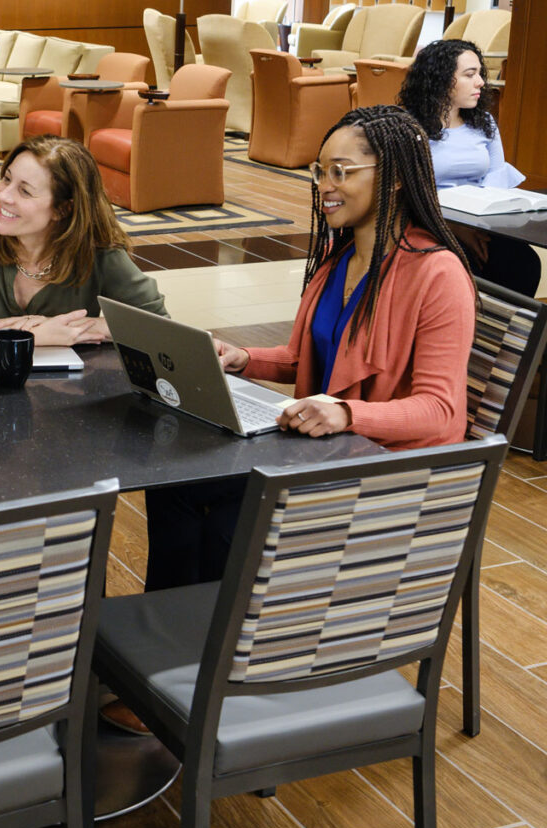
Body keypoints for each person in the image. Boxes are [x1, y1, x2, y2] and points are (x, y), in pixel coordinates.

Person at [143, 105, 479, 591]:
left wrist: (347, 413)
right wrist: (246, 358)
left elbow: (441, 411)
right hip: (319, 450)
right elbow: (311, 360)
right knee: (172, 486)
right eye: (321, 171)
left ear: (396, 179)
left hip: (388, 469)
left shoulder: (437, 273)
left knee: (228, 523)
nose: (325, 184)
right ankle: (168, 637)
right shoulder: (340, 259)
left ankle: (225, 652)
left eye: (341, 172)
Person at [0, 136, 165, 347]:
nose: (3, 195)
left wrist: (79, 328)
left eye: (24, 191)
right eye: (6, 178)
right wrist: (32, 336)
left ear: (63, 209)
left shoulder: (96, 247)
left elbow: (157, 325)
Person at [398, 38, 541, 297]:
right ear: (441, 79)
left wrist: (478, 226)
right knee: (463, 264)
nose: (481, 82)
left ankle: (504, 335)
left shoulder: (483, 121)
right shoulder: (408, 126)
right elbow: (406, 191)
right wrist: (453, 227)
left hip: (479, 220)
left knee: (524, 262)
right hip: (428, 221)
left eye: (480, 73)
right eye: (470, 74)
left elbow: (495, 177)